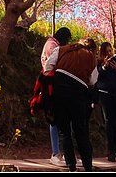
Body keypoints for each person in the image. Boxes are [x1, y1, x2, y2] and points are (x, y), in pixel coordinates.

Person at [44, 37, 99, 172]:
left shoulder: (61, 49)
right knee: (80, 130)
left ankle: (71, 166)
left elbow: (47, 68)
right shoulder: (91, 58)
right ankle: (87, 166)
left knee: (64, 131)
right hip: (78, 93)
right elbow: (92, 81)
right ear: (92, 48)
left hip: (59, 89)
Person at [40, 27, 72, 167]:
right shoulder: (52, 46)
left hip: (55, 84)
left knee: (59, 119)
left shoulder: (53, 44)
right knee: (54, 119)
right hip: (52, 85)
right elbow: (51, 66)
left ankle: (59, 152)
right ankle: (55, 153)